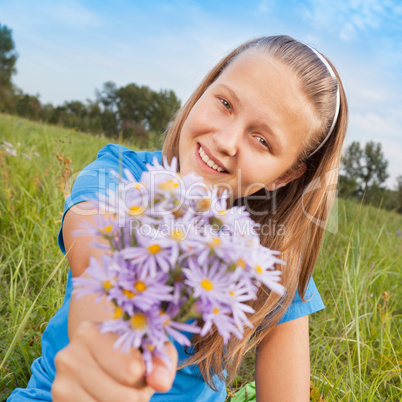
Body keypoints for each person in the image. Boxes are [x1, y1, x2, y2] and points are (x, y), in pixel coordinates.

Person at [8, 35, 347, 401]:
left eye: (262, 140)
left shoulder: (272, 260)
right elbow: (96, 256)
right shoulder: (117, 174)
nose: (226, 141)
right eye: (225, 103)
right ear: (204, 91)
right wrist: (105, 362)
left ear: (286, 175)